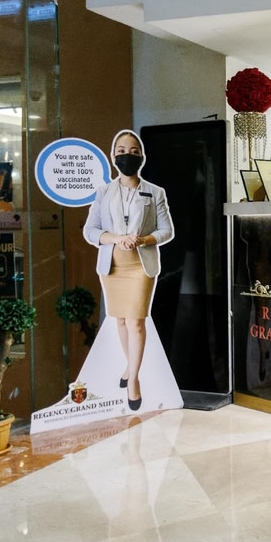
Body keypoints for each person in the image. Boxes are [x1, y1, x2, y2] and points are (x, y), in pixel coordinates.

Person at [83, 130, 174, 411]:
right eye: (121, 151)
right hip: (112, 266)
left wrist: (143, 240)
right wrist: (115, 238)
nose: (127, 156)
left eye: (134, 151)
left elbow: (166, 230)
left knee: (136, 321)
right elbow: (90, 231)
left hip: (140, 266)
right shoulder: (103, 192)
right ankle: (129, 365)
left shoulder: (155, 192)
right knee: (121, 320)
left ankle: (133, 378)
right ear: (113, 156)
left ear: (142, 157)